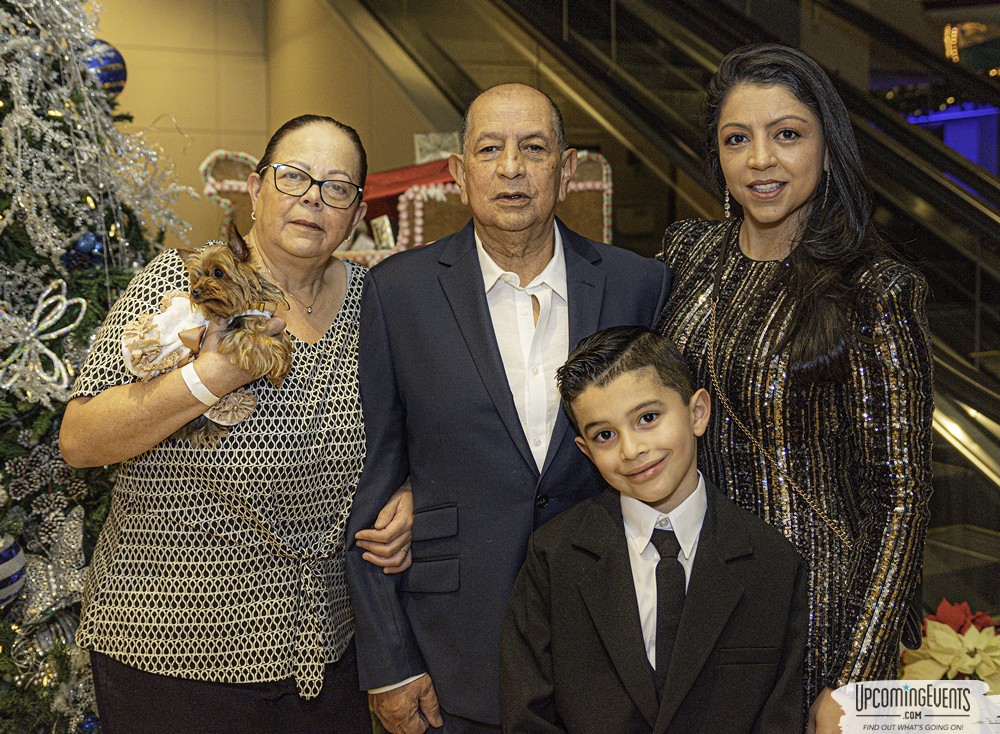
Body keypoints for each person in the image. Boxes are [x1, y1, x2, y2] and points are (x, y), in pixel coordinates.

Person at [59, 114, 411, 733]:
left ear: (356, 212)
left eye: (336, 187)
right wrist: (210, 377)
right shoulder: (184, 284)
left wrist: (409, 493)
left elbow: (410, 431)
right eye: (294, 177)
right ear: (254, 188)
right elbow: (81, 438)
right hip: (169, 651)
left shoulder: (374, 302)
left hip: (327, 652)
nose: (312, 199)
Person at [345, 83, 671, 733]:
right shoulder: (398, 293)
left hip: (608, 647)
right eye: (490, 149)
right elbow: (373, 485)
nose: (512, 168)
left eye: (534, 148)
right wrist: (389, 663)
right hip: (451, 654)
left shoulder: (639, 284)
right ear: (459, 174)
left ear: (567, 169)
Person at [655, 44, 934, 733]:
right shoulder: (688, 253)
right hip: (692, 599)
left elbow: (900, 496)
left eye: (787, 135)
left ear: (828, 150)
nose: (760, 160)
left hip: (816, 613)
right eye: (736, 139)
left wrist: (859, 678)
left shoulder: (874, 291)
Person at [501, 326, 808, 733]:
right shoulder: (553, 556)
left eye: (648, 418)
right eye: (605, 435)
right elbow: (527, 714)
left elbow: (779, 718)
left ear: (697, 412)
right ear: (586, 451)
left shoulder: (773, 562)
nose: (631, 450)